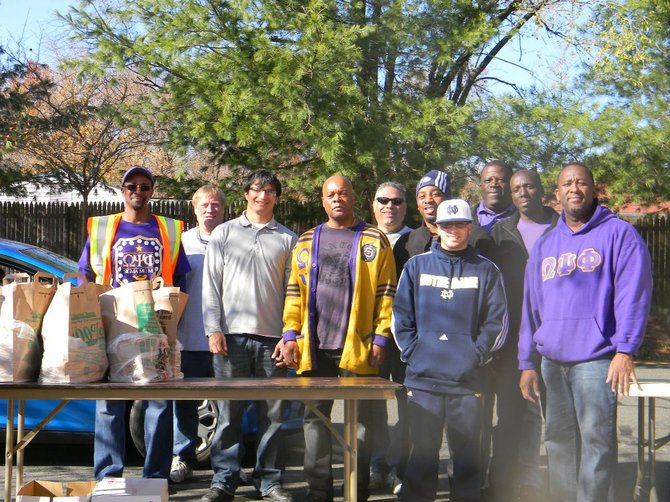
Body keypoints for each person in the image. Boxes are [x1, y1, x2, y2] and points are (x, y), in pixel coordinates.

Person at [518, 163, 653, 502]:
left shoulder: (619, 234)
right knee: (558, 443)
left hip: (596, 359)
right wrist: (527, 362)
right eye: (567, 183)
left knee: (597, 443)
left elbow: (633, 294)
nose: (574, 188)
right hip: (551, 360)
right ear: (557, 193)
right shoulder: (546, 245)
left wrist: (625, 350)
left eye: (581, 182)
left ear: (594, 190)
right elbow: (530, 306)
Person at [277, 175, 396, 502]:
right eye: (331, 194)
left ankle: (357, 491)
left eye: (343, 193)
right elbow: (294, 294)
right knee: (314, 422)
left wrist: (381, 337)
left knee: (361, 426)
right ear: (323, 200)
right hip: (313, 350)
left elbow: (387, 292)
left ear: (353, 197)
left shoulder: (374, 240)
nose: (337, 199)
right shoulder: (305, 241)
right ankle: (319, 493)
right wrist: (290, 334)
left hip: (358, 348)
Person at [78, 165, 190, 480]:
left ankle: (155, 478)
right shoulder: (103, 229)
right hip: (112, 324)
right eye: (132, 186)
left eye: (144, 186)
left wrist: (173, 323)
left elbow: (180, 279)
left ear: (152, 191)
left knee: (159, 405)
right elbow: (82, 275)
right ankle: (108, 477)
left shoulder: (168, 229)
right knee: (109, 404)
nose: (138, 192)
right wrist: (74, 306)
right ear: (122, 189)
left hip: (155, 326)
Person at [392, 199, 508, 502]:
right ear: (437, 228)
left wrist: (475, 356)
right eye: (447, 225)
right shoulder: (416, 266)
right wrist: (415, 354)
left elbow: (497, 322)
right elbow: (400, 318)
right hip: (423, 379)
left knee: (468, 459)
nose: (453, 230)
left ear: (470, 227)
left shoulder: (486, 270)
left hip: (467, 381)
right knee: (421, 456)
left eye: (460, 224)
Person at [200, 170, 297, 502]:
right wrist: (213, 329)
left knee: (274, 415)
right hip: (231, 338)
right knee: (228, 414)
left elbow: (293, 294)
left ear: (277, 197)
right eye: (257, 189)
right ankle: (224, 479)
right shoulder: (224, 234)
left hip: (273, 341)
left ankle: (269, 480)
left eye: (269, 191)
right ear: (246, 194)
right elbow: (210, 286)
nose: (262, 196)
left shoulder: (288, 239)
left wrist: (289, 336)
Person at [488, 170, 558, 501]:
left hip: (560, 338)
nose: (523, 192)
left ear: (542, 190)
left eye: (529, 186)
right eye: (517, 189)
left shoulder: (565, 227)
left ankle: (542, 480)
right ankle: (504, 481)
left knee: (555, 418)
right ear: (511, 195)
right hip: (514, 339)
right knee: (514, 413)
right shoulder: (499, 234)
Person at [170, 184, 226, 483]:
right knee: (186, 403)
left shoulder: (232, 238)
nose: (210, 208)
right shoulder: (181, 243)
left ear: (224, 209)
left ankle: (224, 466)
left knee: (229, 405)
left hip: (225, 338)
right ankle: (183, 457)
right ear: (194, 208)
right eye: (204, 204)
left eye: (216, 204)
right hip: (188, 336)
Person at [368, 181, 412, 493]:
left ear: (405, 207)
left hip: (409, 340)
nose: (390, 206)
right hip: (372, 338)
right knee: (372, 407)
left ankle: (401, 469)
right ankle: (377, 466)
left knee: (409, 407)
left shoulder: (419, 240)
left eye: (397, 201)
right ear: (373, 205)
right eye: (383, 200)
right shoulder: (363, 238)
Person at [395, 169, 493, 274]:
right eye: (422, 196)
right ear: (417, 206)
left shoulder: (476, 236)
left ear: (448, 200)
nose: (428, 200)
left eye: (436, 194)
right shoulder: (406, 242)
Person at [474, 160, 516, 234]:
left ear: (512, 185)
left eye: (501, 180)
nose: (493, 184)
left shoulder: (528, 219)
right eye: (487, 180)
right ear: (481, 187)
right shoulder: (464, 220)